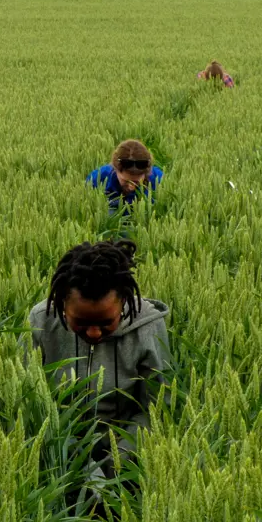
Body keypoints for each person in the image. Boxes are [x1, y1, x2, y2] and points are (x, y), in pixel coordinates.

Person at [28, 240, 171, 493]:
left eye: (106, 322)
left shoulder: (148, 327)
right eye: (81, 322)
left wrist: (117, 463)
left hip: (130, 467)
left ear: (124, 303)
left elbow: (157, 407)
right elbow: (31, 405)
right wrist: (77, 464)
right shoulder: (41, 322)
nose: (94, 333)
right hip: (57, 466)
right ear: (62, 304)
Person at [86, 140, 164, 214]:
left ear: (147, 173)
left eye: (136, 182)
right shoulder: (97, 179)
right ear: (115, 169)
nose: (131, 187)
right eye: (126, 181)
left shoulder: (160, 182)